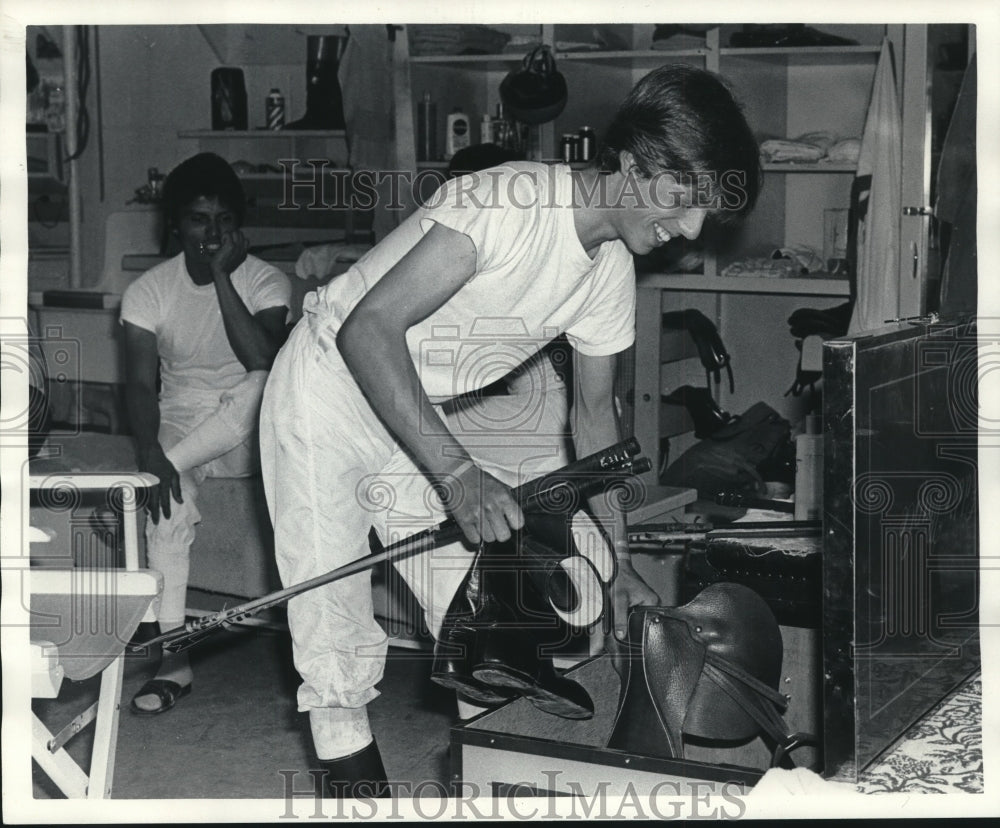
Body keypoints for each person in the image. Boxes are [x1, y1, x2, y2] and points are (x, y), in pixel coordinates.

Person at [258, 64, 761, 796]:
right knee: (332, 639)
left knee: (492, 617)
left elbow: (595, 421)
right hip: (325, 389)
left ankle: (492, 790)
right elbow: (368, 332)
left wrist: (619, 569)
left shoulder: (611, 270)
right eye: (683, 201)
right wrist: (459, 473)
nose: (688, 230)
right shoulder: (509, 204)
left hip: (410, 411)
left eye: (702, 213)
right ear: (633, 162)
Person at [121, 152, 291, 714]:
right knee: (170, 502)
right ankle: (173, 659)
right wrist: (154, 453)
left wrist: (222, 277)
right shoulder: (149, 290)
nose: (211, 232)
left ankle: (166, 468)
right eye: (198, 219)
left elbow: (262, 358)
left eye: (222, 220)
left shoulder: (265, 278)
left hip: (245, 428)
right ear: (176, 223)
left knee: (264, 382)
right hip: (181, 421)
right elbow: (141, 387)